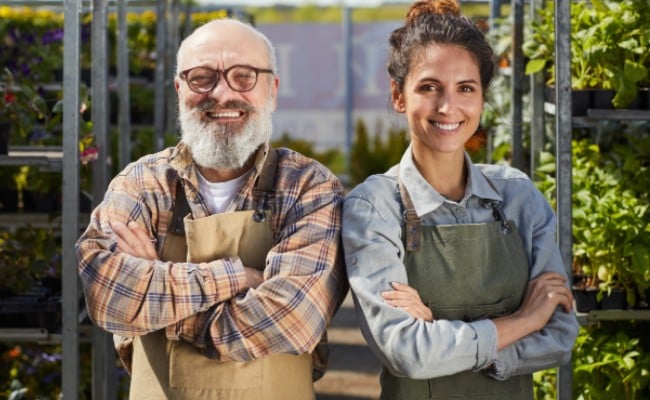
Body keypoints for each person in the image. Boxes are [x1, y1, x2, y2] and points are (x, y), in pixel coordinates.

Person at [76, 18, 347, 400]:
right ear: (178, 89)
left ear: (272, 89)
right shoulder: (143, 182)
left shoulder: (307, 187)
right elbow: (107, 295)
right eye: (202, 77)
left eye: (244, 76)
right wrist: (239, 277)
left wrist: (158, 301)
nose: (221, 93)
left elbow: (291, 320)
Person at [341, 1, 580, 399]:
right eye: (429, 87)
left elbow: (560, 335)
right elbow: (407, 353)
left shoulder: (518, 196)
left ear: (482, 96)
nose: (448, 107)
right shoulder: (374, 206)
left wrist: (443, 335)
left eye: (465, 88)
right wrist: (524, 320)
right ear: (399, 96)